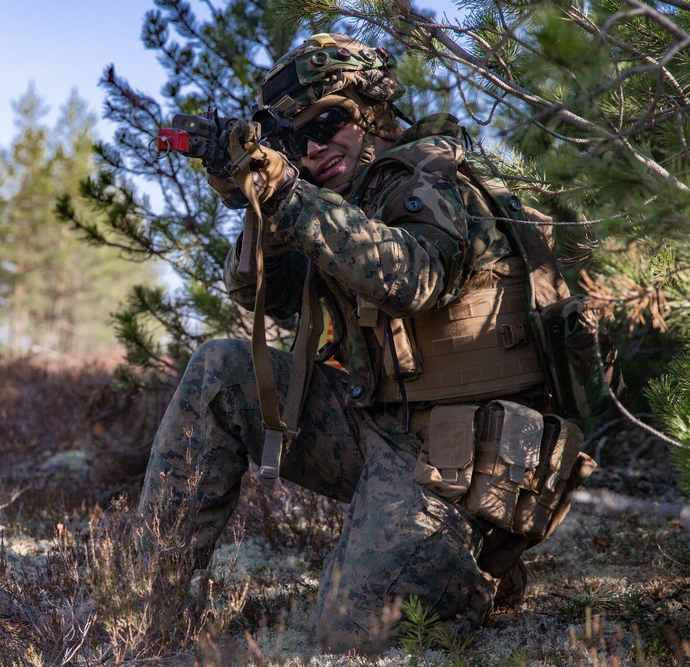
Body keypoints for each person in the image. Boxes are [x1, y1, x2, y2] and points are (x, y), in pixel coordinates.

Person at [139, 33, 597, 654]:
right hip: (386, 430)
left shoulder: (432, 180)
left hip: (469, 457)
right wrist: (255, 198)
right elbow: (265, 295)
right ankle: (142, 597)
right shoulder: (345, 201)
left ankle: (476, 561)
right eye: (297, 139)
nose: (316, 147)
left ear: (371, 112)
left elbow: (415, 278)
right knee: (220, 370)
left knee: (352, 633)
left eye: (328, 123)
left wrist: (291, 196)